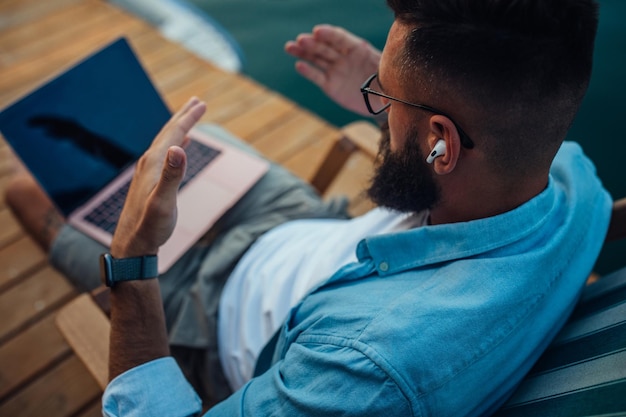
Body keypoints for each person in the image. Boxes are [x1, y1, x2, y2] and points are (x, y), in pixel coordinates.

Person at [4, 0, 614, 415]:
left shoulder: (364, 373)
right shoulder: (570, 177)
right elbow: (452, 152)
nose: (378, 99)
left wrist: (135, 260)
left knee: (28, 192)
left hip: (202, 309)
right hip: (309, 229)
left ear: (440, 144)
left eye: (384, 93)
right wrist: (381, 101)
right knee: (162, 147)